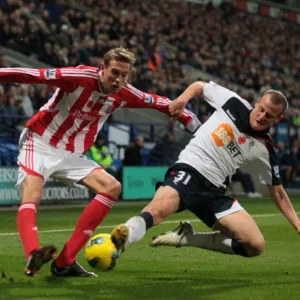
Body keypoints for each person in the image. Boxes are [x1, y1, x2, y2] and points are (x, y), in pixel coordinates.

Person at [0, 47, 200, 277]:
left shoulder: (124, 92)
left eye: (124, 75)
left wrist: (193, 124)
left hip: (70, 153)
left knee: (111, 188)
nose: (119, 79)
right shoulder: (79, 77)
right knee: (33, 194)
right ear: (102, 68)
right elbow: (31, 75)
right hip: (40, 140)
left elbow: (162, 103)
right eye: (114, 72)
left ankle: (65, 261)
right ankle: (33, 252)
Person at [111, 81, 300, 263]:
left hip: (215, 192)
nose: (262, 116)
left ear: (278, 120)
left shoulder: (264, 148)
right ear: (257, 102)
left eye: (269, 116)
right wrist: (183, 99)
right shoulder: (233, 102)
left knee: (255, 245)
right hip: (191, 169)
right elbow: (200, 86)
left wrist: (298, 225)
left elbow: (278, 193)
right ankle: (122, 237)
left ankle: (188, 238)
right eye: (262, 110)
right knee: (159, 209)